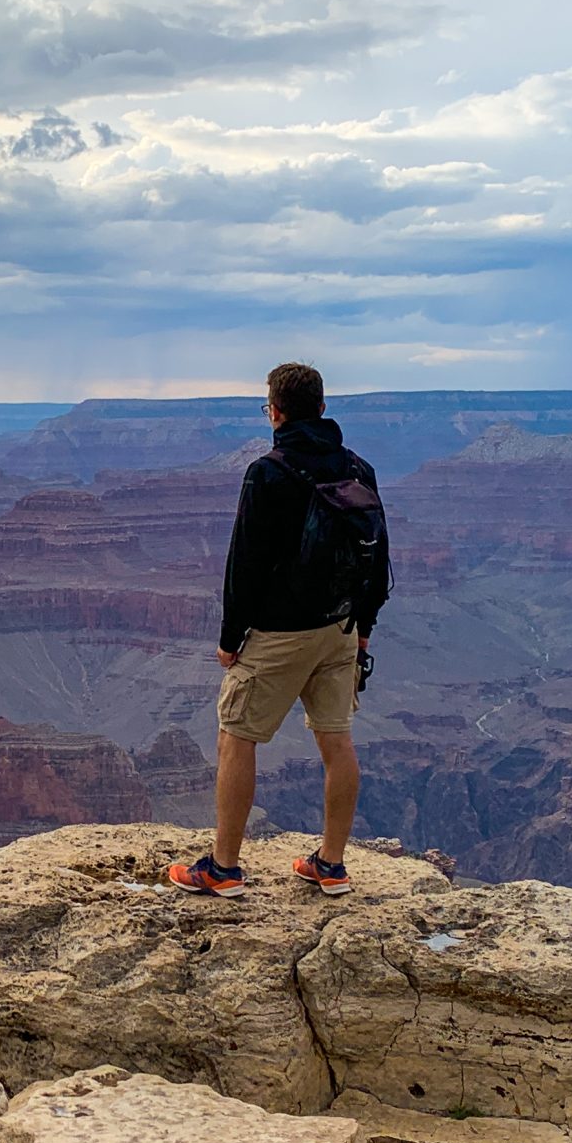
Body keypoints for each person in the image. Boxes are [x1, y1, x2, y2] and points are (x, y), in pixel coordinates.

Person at [169, 362, 390, 899]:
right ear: (321, 407)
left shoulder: (268, 472)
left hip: (280, 633)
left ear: (275, 411)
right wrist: (363, 627)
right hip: (340, 625)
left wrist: (230, 638)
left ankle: (223, 869)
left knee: (236, 736)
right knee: (336, 739)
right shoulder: (357, 467)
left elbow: (243, 562)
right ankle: (330, 866)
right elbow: (377, 554)